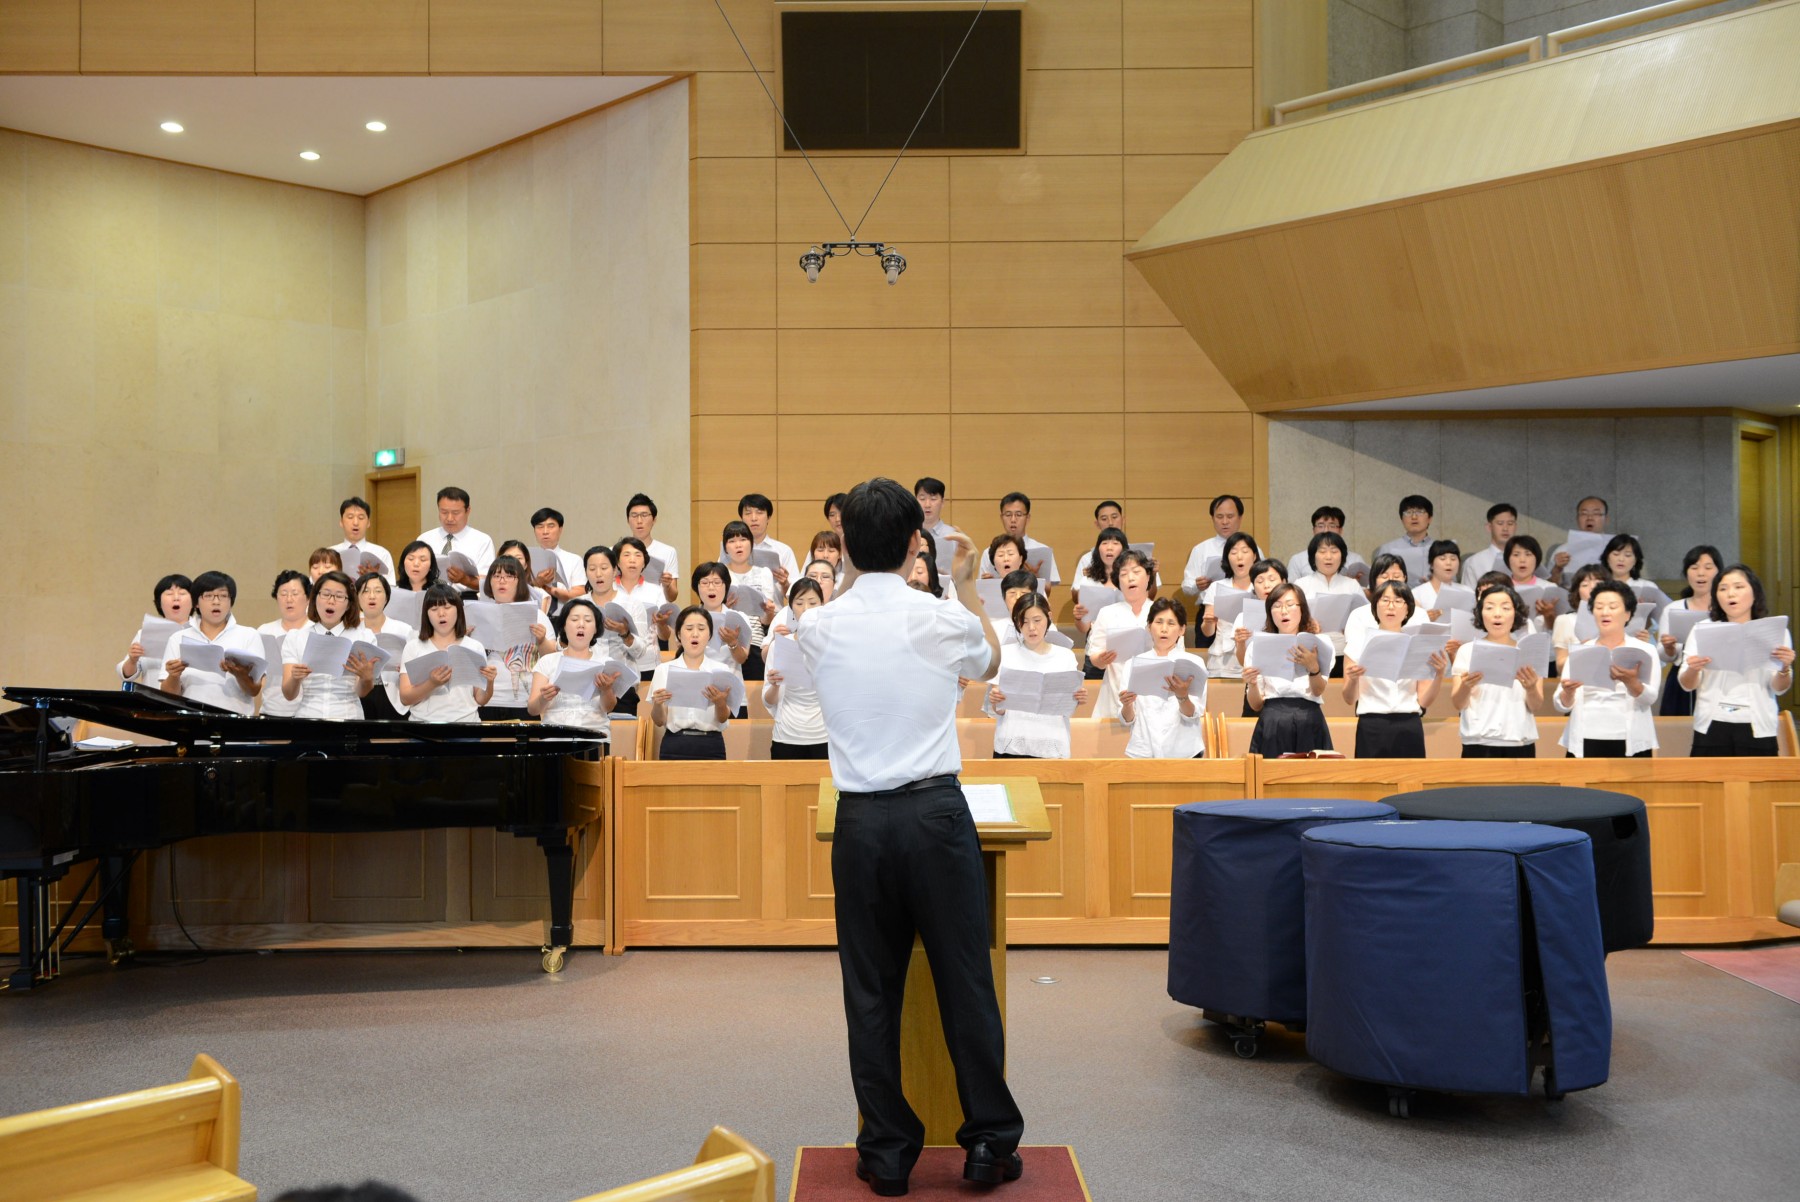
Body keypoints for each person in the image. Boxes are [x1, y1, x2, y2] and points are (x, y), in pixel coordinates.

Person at [792, 477, 1021, 1195]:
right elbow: (990, 662)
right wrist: (951, 580)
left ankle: (888, 1151)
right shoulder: (940, 619)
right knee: (965, 980)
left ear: (847, 548)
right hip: (934, 815)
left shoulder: (817, 625)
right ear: (915, 543)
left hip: (860, 822)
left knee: (870, 991)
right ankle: (987, 1143)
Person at [1678, 564, 1795, 757]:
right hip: (1712, 722)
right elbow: (1686, 685)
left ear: (1755, 592)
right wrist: (1693, 669)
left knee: (1758, 785)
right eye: (1723, 589)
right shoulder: (1702, 629)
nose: (1730, 594)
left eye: (1739, 587)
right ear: (1716, 596)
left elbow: (1778, 688)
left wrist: (1784, 668)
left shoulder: (1776, 631)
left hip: (1758, 724)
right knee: (1710, 784)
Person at [1342, 580, 1447, 758]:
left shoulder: (1418, 645)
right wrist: (1352, 679)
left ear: (1408, 609)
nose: (1391, 606)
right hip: (1372, 724)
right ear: (1375, 607)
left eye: (1398, 601)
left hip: (1409, 724)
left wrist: (1439, 675)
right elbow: (1349, 698)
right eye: (1385, 600)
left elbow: (1424, 701)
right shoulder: (1358, 644)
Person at [1553, 580, 1658, 759]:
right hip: (1586, 736)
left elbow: (1650, 698)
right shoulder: (1581, 650)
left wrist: (1633, 683)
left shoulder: (1645, 650)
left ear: (1628, 614)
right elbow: (1559, 703)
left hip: (1630, 738)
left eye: (1613, 606)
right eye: (1599, 607)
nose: (1605, 612)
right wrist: (1568, 693)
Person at [1449, 584, 1550, 758]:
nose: (1497, 613)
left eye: (1505, 607)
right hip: (1478, 743)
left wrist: (1531, 687)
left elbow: (1536, 706)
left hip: (1520, 742)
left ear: (1515, 613)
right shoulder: (1467, 650)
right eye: (1489, 607)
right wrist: (1466, 686)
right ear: (1481, 613)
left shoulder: (1528, 651)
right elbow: (1458, 704)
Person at [985, 593, 1085, 759]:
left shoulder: (1065, 656)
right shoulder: (1005, 653)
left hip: (1052, 745)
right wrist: (996, 700)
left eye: (1037, 620)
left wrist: (1078, 698)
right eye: (1024, 621)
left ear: (1049, 618)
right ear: (1017, 622)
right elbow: (999, 710)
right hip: (1012, 745)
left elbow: (1067, 709)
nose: (1031, 627)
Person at [1242, 583, 1334, 755]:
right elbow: (1255, 705)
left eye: (1290, 604)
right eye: (1276, 606)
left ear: (1302, 609)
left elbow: (1318, 690)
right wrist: (1252, 683)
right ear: (1270, 612)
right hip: (1272, 720)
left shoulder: (1319, 643)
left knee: (1311, 778)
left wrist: (1313, 668)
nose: (1283, 611)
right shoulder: (1257, 647)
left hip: (1310, 718)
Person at [158, 571, 265, 716]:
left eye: (223, 595)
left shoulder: (248, 635)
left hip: (235, 726)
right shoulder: (178, 638)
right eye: (208, 596)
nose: (216, 601)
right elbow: (168, 696)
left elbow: (254, 691)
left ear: (231, 601)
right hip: (191, 725)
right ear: (196, 603)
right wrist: (173, 675)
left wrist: (240, 674)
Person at [280, 570, 379, 721]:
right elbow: (289, 694)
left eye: (339, 596)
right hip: (308, 717)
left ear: (348, 604)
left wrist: (366, 678)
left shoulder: (363, 637)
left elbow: (361, 692)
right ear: (315, 599)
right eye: (325, 594)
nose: (331, 601)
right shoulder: (296, 637)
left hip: (348, 718)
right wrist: (295, 678)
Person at [1118, 598, 1207, 759]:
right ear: (1149, 627)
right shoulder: (1132, 664)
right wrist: (1127, 704)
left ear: (1182, 629)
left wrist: (1182, 696)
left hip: (1185, 751)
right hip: (1143, 751)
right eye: (1159, 622)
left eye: (1171, 623)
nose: (1164, 629)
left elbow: (1194, 714)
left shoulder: (1194, 663)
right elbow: (1127, 720)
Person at [527, 598, 621, 747]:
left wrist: (606, 689)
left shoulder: (605, 663)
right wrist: (543, 698)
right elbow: (532, 709)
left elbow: (608, 707)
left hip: (594, 739)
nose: (581, 625)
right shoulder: (547, 661)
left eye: (588, 620)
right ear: (564, 626)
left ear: (596, 629)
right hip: (554, 739)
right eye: (575, 619)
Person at [399, 585, 496, 723]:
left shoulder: (474, 646)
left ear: (458, 609)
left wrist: (490, 682)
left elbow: (480, 699)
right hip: (423, 726)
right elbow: (405, 698)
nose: (441, 614)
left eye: (447, 607)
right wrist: (432, 683)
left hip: (466, 725)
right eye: (434, 609)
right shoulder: (413, 647)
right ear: (426, 614)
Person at [648, 606, 734, 761]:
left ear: (709, 635)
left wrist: (720, 703)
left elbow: (722, 718)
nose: (695, 634)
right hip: (674, 744)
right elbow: (659, 721)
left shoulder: (721, 670)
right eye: (689, 628)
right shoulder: (663, 670)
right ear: (679, 634)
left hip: (711, 745)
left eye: (701, 628)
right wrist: (657, 704)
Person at [476, 556, 553, 721]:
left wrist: (541, 640)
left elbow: (551, 658)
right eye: (496, 576)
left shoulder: (537, 616)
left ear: (520, 581)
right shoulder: (478, 616)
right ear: (489, 582)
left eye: (509, 576)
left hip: (524, 703)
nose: (501, 581)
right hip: (487, 701)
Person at [1086, 549, 1157, 720]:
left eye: (1136, 572)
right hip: (1115, 691)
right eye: (1123, 574)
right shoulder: (1107, 613)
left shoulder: (1160, 612)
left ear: (1148, 577)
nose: (1130, 578)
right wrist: (1101, 659)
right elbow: (1094, 654)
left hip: (1153, 694)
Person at [763, 579, 830, 760]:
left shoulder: (832, 646)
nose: (806, 608)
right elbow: (768, 701)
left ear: (822, 606)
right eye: (799, 603)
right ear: (791, 608)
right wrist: (775, 685)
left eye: (813, 603)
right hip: (787, 734)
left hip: (823, 734)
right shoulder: (779, 646)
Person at [583, 544, 653, 717]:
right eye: (592, 569)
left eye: (604, 568)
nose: (598, 574)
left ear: (615, 571)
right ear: (586, 572)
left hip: (622, 687)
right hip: (586, 686)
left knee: (621, 741)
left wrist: (626, 634)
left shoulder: (632, 604)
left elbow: (642, 652)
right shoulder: (579, 605)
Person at [1657, 544, 1723, 717]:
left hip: (1717, 678)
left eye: (1708, 568)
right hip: (1682, 677)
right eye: (1694, 568)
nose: (1701, 573)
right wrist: (1669, 648)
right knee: (1679, 734)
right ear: (1687, 573)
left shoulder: (1727, 609)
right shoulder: (1673, 608)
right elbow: (1665, 655)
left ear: (1719, 573)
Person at [1294, 530, 1365, 669]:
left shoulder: (1352, 585)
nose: (1328, 557)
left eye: (1334, 551)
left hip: (1344, 651)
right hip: (1310, 651)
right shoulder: (1301, 584)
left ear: (1342, 556)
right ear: (1313, 556)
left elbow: (1364, 616)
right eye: (1322, 551)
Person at [1197, 532, 1261, 678]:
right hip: (1222, 661)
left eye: (1245, 551)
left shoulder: (1261, 587)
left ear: (1254, 556)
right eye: (1233, 552)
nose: (1239, 556)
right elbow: (1208, 632)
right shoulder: (1216, 587)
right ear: (1227, 558)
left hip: (1253, 660)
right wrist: (1208, 622)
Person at [722, 520, 779, 679]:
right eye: (732, 541)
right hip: (726, 641)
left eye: (743, 540)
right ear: (725, 548)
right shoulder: (720, 573)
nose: (738, 545)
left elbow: (766, 621)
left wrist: (768, 612)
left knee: (752, 693)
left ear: (751, 544)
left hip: (755, 642)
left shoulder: (764, 573)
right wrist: (724, 606)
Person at [118, 574, 195, 690]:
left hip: (192, 702)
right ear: (159, 602)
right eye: (169, 593)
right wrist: (132, 660)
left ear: (194, 601)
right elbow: (126, 675)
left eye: (182, 593)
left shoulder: (201, 632)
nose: (176, 598)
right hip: (154, 702)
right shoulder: (147, 633)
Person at [354, 572, 412, 722]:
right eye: (365, 591)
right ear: (357, 598)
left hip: (394, 694)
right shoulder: (351, 632)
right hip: (359, 694)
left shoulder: (404, 630)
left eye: (378, 591)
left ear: (386, 597)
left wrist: (407, 669)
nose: (372, 596)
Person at [415, 486, 495, 589]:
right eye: (444, 512)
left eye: (456, 513)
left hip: (466, 599)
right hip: (428, 597)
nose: (449, 518)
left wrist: (465, 579)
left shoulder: (482, 541)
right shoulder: (425, 539)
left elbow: (488, 584)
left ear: (468, 510)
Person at [256, 572, 311, 718]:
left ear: (308, 598)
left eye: (295, 593)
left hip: (307, 712)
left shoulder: (316, 631)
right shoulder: (264, 631)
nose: (289, 599)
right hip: (271, 709)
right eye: (283, 594)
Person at [985, 492, 1060, 595]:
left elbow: (1047, 592)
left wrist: (1035, 578)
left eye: (1018, 515)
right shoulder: (989, 552)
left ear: (1027, 518)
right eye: (1008, 515)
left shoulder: (1042, 550)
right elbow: (983, 591)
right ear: (1001, 517)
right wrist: (987, 583)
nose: (1013, 520)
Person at [734, 492, 800, 595]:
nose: (754, 518)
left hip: (774, 610)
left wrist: (785, 583)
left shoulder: (783, 551)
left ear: (768, 517)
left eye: (759, 512)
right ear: (741, 519)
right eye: (748, 513)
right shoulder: (730, 549)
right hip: (737, 610)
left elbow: (797, 593)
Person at [1285, 506, 1368, 587]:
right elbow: (1291, 591)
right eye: (1321, 526)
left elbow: (1368, 590)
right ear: (1313, 530)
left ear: (1340, 530)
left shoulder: (1356, 560)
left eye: (1332, 526)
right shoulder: (1297, 560)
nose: (1326, 530)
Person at [1181, 493, 1245, 598]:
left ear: (1240, 518)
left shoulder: (1252, 549)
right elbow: (1186, 587)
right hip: (1209, 609)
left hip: (1243, 608)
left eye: (1230, 516)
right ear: (1212, 518)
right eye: (1219, 517)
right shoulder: (1200, 549)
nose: (1225, 522)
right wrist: (1197, 585)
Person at [1551, 564, 1609, 674]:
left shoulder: (1617, 619)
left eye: (1598, 583)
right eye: (1585, 584)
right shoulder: (1565, 620)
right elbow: (1559, 666)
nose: (1592, 588)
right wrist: (1582, 650)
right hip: (1577, 683)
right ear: (1577, 592)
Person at [625, 493, 682, 604]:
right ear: (628, 520)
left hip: (656, 611)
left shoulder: (668, 552)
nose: (639, 520)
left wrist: (667, 585)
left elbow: (672, 597)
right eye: (634, 515)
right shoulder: (617, 551)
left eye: (644, 515)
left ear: (654, 519)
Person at [529, 507, 588, 607]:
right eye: (540, 526)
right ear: (534, 531)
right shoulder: (526, 559)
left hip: (565, 615)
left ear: (560, 530)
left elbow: (581, 592)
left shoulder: (574, 560)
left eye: (550, 526)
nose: (545, 531)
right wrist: (536, 583)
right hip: (535, 616)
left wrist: (550, 590)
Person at [1548, 495, 1610, 585]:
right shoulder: (1563, 551)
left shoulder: (1616, 550)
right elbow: (1550, 586)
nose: (1590, 518)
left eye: (1596, 514)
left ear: (1606, 519)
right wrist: (1557, 568)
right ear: (1577, 519)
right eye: (1584, 514)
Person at [1373, 494, 1435, 584]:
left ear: (1430, 518)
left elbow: (1452, 583)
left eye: (1420, 512)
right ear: (1402, 519)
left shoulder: (1441, 549)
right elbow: (1377, 583)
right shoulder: (1387, 549)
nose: (1414, 517)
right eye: (1408, 512)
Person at [1503, 535, 1558, 631]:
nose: (1522, 560)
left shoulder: (1549, 588)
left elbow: (1557, 628)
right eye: (1516, 555)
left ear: (1537, 559)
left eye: (1528, 554)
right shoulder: (1500, 588)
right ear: (1507, 559)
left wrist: (1549, 614)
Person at [332, 497, 394, 579]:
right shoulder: (330, 553)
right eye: (350, 517)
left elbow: (391, 589)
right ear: (341, 522)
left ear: (368, 523)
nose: (355, 522)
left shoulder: (382, 554)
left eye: (361, 518)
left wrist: (374, 578)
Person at [1459, 503, 1517, 586]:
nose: (1505, 528)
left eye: (1510, 523)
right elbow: (1468, 597)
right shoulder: (1474, 562)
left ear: (1515, 526)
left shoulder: (1527, 560)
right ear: (1489, 527)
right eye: (1500, 523)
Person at [1410, 541, 1463, 621]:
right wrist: (1424, 618)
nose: (1448, 563)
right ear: (1431, 564)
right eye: (1442, 558)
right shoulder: (1416, 594)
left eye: (1453, 559)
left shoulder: (1467, 592)